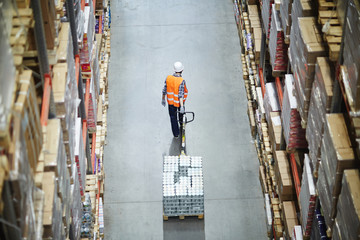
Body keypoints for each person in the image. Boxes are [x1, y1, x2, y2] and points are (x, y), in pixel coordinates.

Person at [162, 62, 188, 138]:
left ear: (174, 70)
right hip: (179, 103)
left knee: (173, 117)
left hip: (171, 103)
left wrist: (163, 99)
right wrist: (182, 106)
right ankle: (182, 124)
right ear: (182, 70)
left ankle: (176, 134)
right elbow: (180, 95)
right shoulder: (181, 81)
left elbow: (164, 90)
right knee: (181, 114)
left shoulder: (168, 78)